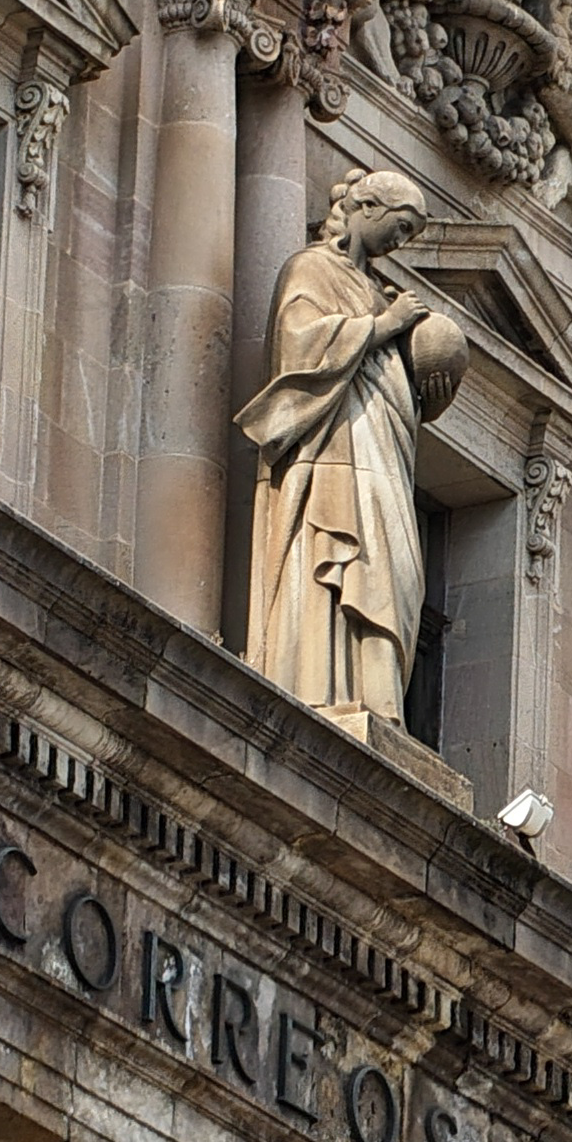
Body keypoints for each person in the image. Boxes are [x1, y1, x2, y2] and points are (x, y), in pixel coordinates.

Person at [236, 168, 458, 725]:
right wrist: (385, 326)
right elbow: (299, 346)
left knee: (395, 568)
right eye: (400, 227)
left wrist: (429, 376)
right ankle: (329, 688)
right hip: (334, 447)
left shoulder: (377, 290)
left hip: (381, 447)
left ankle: (382, 702)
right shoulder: (310, 269)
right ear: (366, 208)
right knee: (348, 558)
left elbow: (393, 379)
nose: (400, 243)